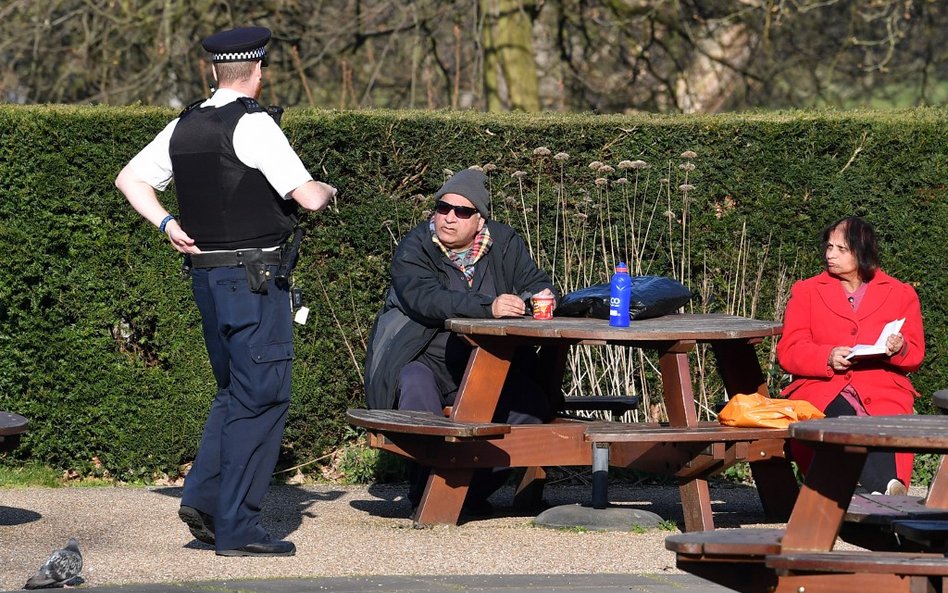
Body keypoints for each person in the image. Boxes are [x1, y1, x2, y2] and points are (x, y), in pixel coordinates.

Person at [115, 26, 337, 556]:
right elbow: (306, 198)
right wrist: (329, 187)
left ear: (214, 70)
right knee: (263, 398)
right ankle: (237, 527)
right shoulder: (255, 125)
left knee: (233, 392)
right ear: (258, 72)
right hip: (255, 281)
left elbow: (129, 179)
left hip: (208, 279)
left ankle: (207, 502)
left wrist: (168, 224)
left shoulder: (183, 125)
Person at [363, 168, 557, 515]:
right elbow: (426, 299)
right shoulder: (414, 246)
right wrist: (489, 306)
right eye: (442, 208)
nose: (449, 218)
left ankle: (462, 491)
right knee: (414, 388)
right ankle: (426, 493)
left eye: (462, 212)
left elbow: (536, 281)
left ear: (480, 221)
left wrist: (540, 297)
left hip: (492, 363)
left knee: (534, 408)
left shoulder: (505, 241)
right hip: (426, 356)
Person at [777, 216, 924, 495]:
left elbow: (915, 354)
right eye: (829, 246)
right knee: (842, 420)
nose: (829, 254)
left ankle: (879, 492)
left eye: (841, 249)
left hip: (882, 388)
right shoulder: (806, 291)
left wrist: (898, 347)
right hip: (822, 387)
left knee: (878, 422)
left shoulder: (901, 293)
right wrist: (827, 356)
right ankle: (886, 488)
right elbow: (789, 349)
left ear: (862, 251)